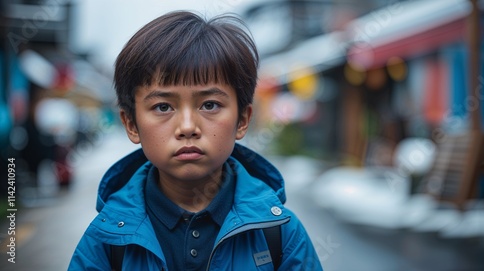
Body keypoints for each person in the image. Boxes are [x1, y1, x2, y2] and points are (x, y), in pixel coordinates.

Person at [68, 11, 322, 271]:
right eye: (163, 107)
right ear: (131, 124)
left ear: (243, 120)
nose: (187, 127)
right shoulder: (107, 240)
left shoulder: (280, 234)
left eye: (210, 104)